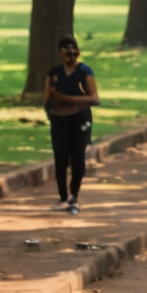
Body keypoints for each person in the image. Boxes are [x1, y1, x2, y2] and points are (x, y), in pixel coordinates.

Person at [43, 36, 99, 215]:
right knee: (60, 159)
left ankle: (74, 195)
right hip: (59, 121)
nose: (71, 54)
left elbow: (94, 98)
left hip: (80, 120)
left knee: (78, 159)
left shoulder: (84, 71)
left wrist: (70, 100)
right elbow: (47, 98)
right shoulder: (54, 73)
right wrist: (52, 115)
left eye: (75, 51)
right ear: (60, 53)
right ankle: (62, 198)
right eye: (67, 51)